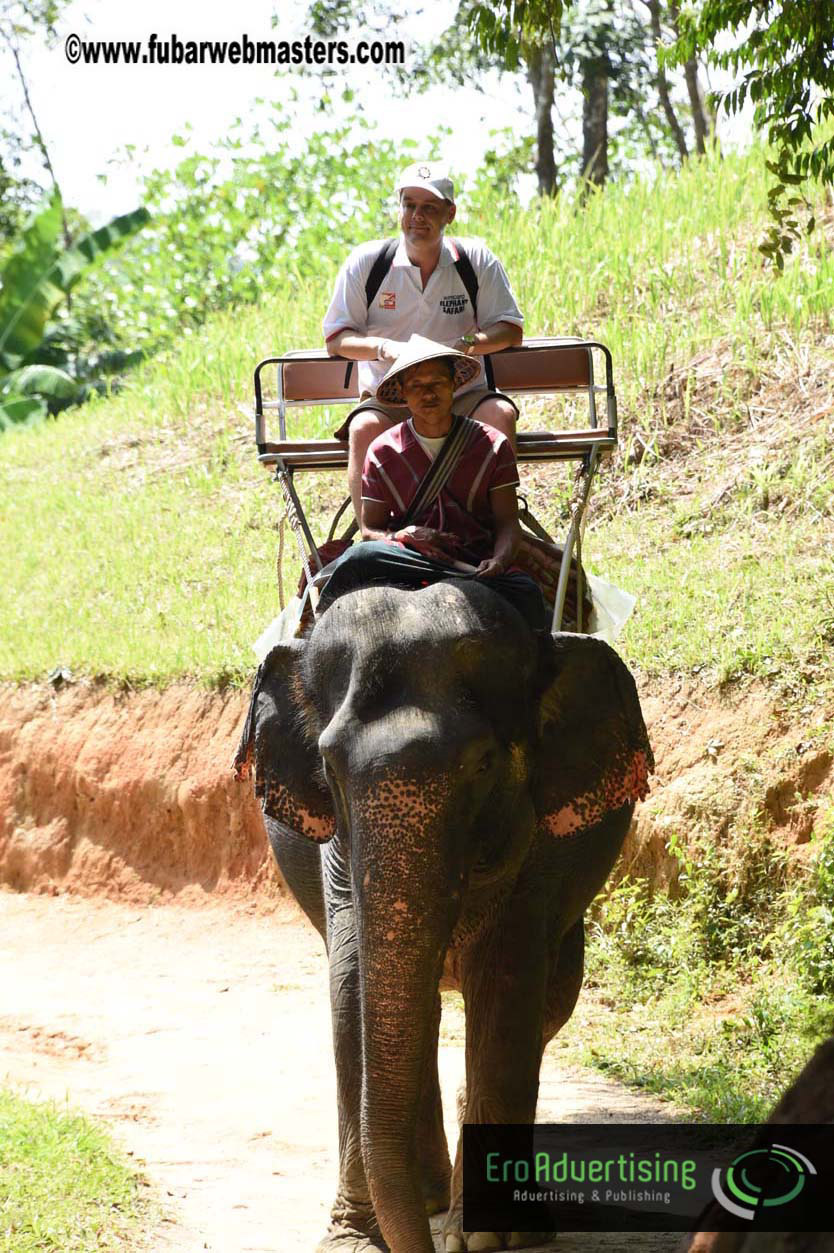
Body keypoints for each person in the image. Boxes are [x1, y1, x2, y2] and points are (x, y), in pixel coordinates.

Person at [322, 160, 524, 520]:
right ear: (399, 209)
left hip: (462, 392)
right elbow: (337, 338)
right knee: (363, 427)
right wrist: (384, 348)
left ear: (450, 213)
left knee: (499, 413)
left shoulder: (476, 260)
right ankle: (372, 535)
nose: (417, 216)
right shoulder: (367, 262)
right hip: (391, 396)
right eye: (409, 205)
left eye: (430, 207)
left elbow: (510, 328)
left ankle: (500, 529)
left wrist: (466, 343)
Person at [317, 336, 546, 633]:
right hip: (411, 560)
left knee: (525, 590)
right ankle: (320, 633)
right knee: (360, 557)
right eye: (416, 386)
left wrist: (499, 561)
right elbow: (370, 530)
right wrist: (404, 535)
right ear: (402, 393)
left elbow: (507, 522)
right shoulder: (382, 450)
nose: (428, 394)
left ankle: (546, 654)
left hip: (475, 562)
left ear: (453, 385)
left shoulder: (492, 444)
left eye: (437, 383)